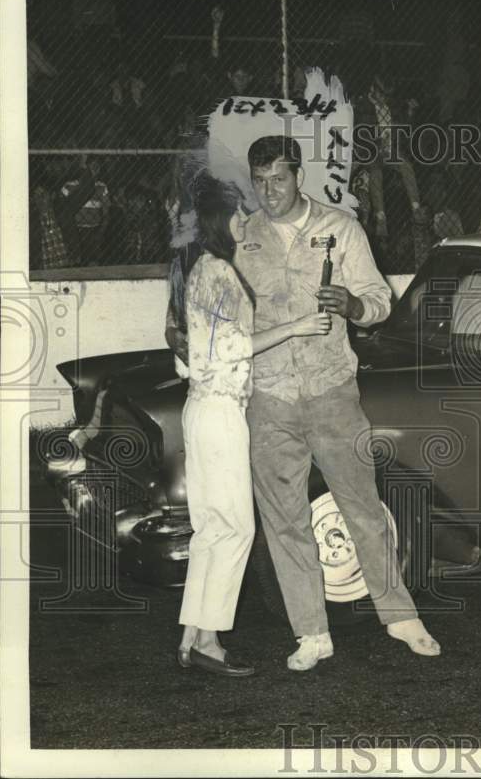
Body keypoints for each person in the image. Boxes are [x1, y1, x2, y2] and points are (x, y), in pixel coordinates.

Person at [236, 136, 440, 671]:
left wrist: (352, 304)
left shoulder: (341, 228)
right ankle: (311, 634)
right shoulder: (242, 235)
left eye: (278, 179)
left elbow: (380, 302)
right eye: (259, 181)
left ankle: (401, 618)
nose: (268, 192)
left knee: (362, 508)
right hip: (269, 396)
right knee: (285, 520)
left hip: (331, 392)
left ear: (298, 175)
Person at [168, 175, 333, 677]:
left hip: (202, 408)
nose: (246, 220)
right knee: (235, 528)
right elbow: (228, 348)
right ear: (222, 221)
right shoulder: (217, 270)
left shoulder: (200, 269)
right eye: (239, 214)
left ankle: (193, 636)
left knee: (212, 529)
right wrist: (298, 326)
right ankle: (208, 643)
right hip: (220, 412)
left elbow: (191, 353)